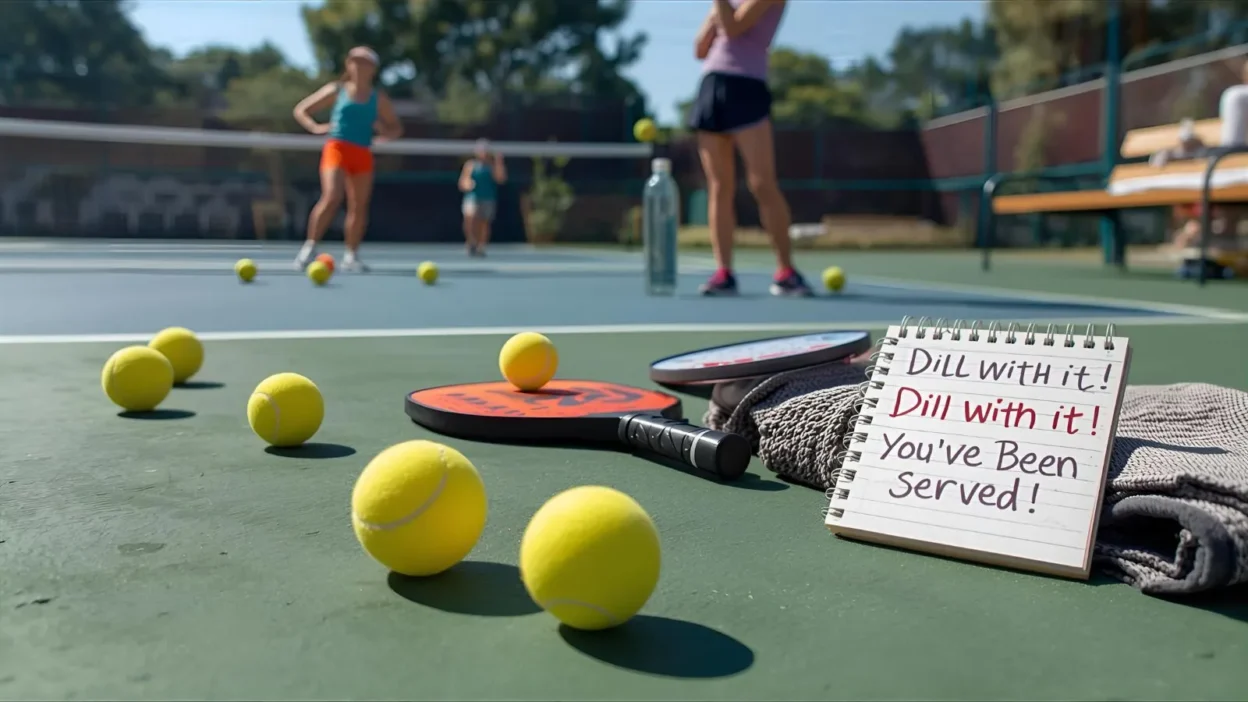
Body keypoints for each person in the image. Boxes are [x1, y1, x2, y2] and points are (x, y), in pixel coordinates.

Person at [688, 0, 811, 297]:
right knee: (719, 186)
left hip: (746, 86)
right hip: (711, 84)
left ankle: (785, 271)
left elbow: (732, 28)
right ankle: (724, 273)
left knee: (762, 183)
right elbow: (700, 49)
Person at [291, 46, 403, 272]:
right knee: (332, 196)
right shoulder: (336, 89)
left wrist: (382, 134)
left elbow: (395, 128)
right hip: (337, 148)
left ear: (373, 69)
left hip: (362, 153)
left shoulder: (378, 98)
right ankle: (309, 248)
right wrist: (314, 127)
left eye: (365, 62)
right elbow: (301, 110)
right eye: (355, 61)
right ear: (348, 65)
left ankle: (351, 255)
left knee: (359, 206)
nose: (359, 66)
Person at [458, 139, 506, 257]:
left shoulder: (492, 165)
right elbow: (462, 182)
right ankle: (471, 242)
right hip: (472, 197)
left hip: (488, 198)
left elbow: (500, 179)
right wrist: (467, 183)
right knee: (470, 217)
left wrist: (499, 162)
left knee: (484, 223)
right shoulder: (470, 165)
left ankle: (481, 246)